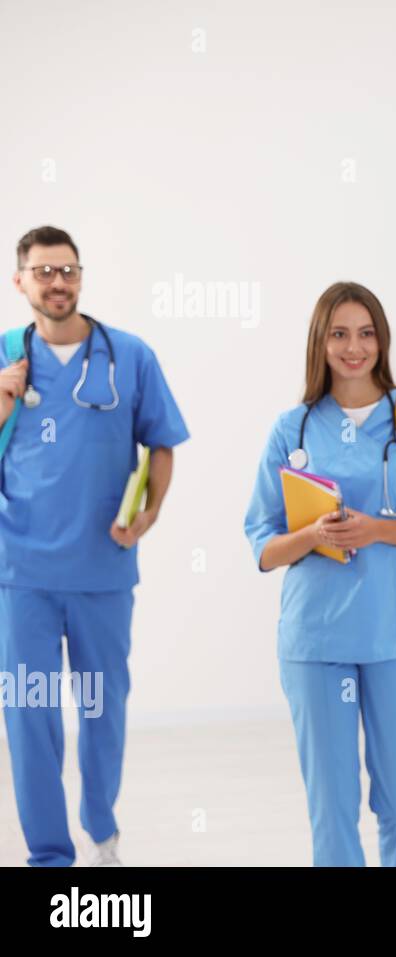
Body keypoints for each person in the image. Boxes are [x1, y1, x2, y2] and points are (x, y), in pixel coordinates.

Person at [244, 282, 396, 866]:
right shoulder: (291, 427)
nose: (354, 347)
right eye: (340, 333)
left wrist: (376, 530)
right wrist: (312, 536)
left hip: (395, 633)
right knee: (332, 804)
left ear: (383, 340)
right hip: (315, 639)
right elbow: (265, 549)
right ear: (320, 342)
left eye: (366, 333)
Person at [0, 226, 189, 866]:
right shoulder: (3, 359)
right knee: (30, 719)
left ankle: (102, 827)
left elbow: (161, 444)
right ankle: (50, 858)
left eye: (68, 270)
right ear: (20, 279)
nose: (58, 282)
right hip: (20, 573)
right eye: (43, 271)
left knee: (102, 711)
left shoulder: (129, 356)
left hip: (103, 571)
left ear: (80, 277)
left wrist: (151, 512)